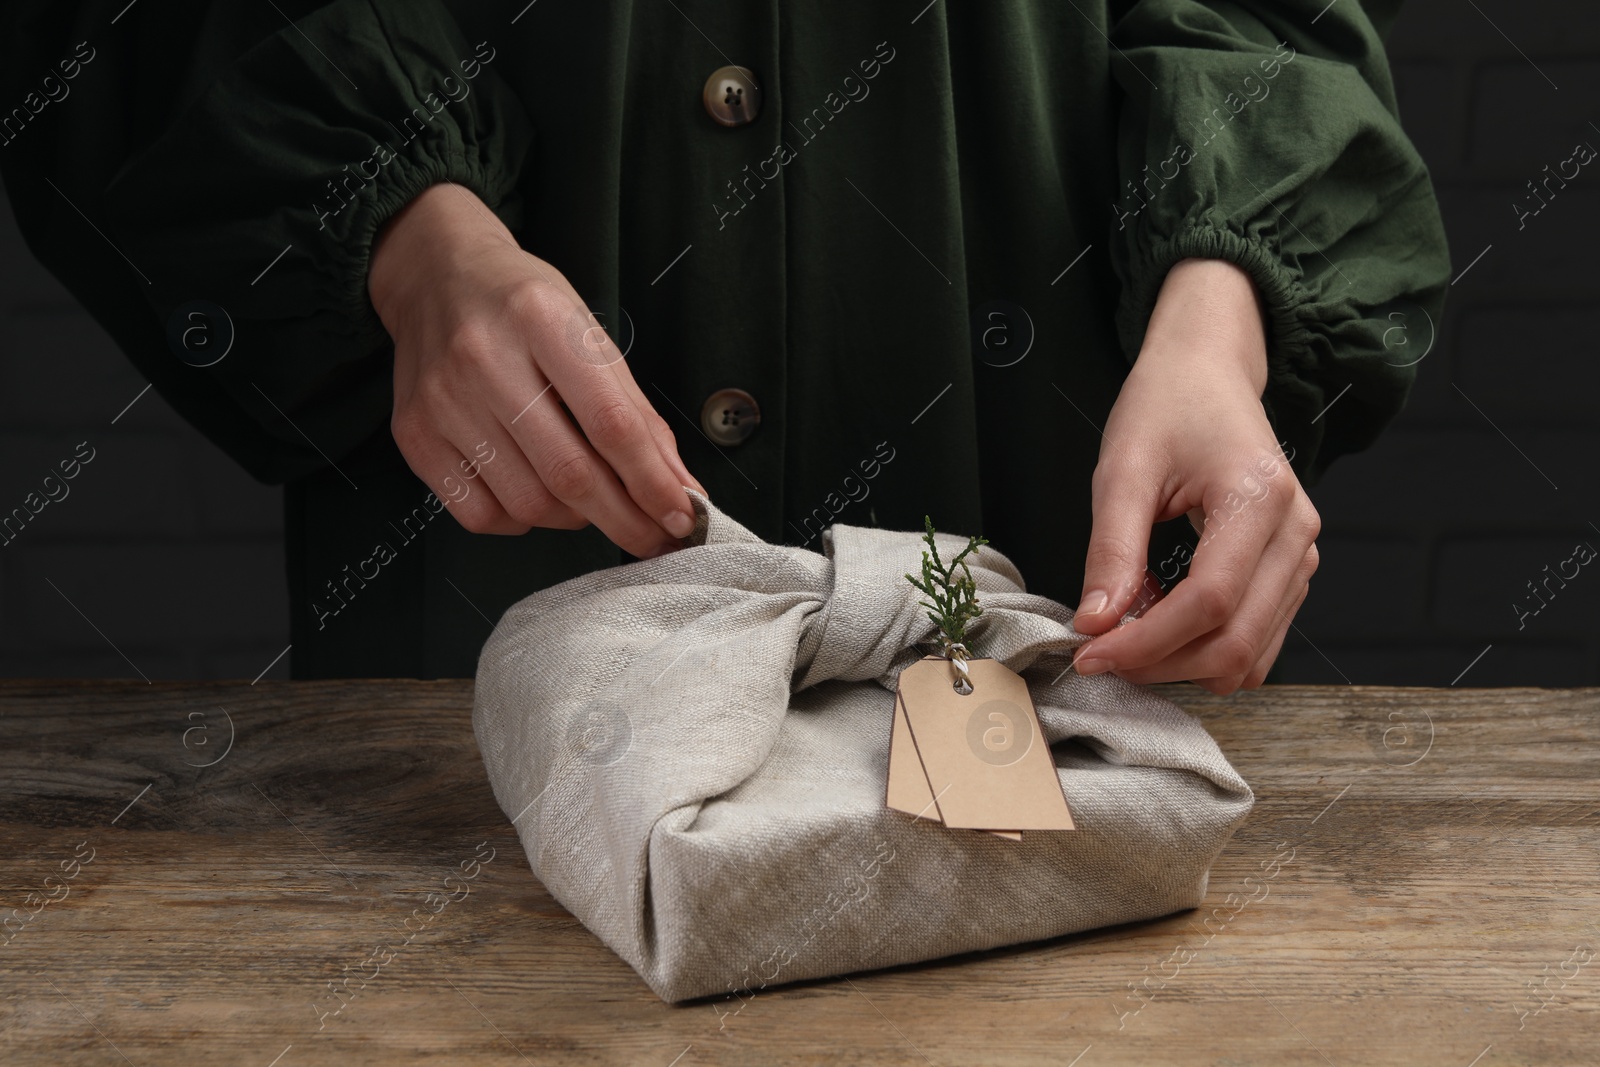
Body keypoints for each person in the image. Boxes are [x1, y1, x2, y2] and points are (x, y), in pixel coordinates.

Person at [0, 1, 1449, 688]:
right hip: (475, 691)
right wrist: (411, 240)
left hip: (1057, 676)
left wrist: (1221, 318)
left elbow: (1269, 24)